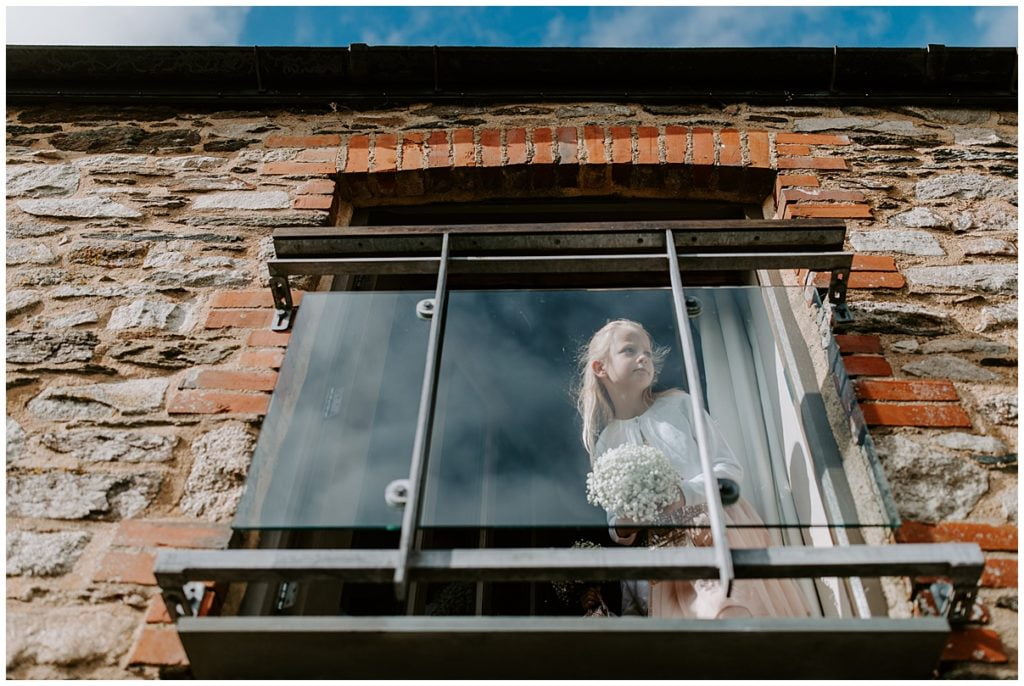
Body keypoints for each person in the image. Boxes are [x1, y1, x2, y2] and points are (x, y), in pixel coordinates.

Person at [576, 318, 814, 619]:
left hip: (714, 529)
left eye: (647, 352)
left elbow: (728, 469)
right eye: (629, 350)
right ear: (600, 368)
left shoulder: (679, 406)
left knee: (731, 609)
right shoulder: (607, 442)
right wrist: (628, 524)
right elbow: (615, 524)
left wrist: (683, 494)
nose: (643, 358)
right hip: (666, 554)